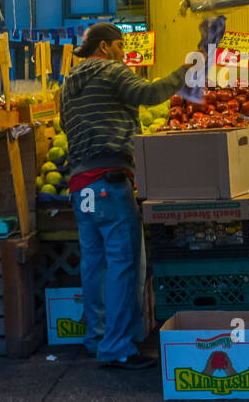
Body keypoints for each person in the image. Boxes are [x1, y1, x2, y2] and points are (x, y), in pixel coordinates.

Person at [60, 22, 196, 370]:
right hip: (109, 181)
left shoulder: (68, 85)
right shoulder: (110, 70)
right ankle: (117, 347)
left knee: (94, 264)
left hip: (80, 187)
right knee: (123, 264)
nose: (124, 52)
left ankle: (97, 337)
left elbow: (66, 127)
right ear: (105, 48)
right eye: (120, 45)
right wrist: (185, 71)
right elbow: (149, 94)